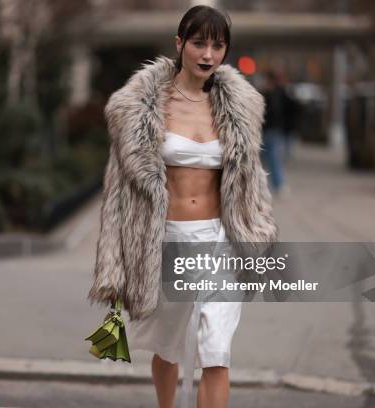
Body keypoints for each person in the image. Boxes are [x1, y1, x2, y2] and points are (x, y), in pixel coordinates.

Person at [87, 5, 278, 408]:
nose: (208, 54)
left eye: (218, 45)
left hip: (220, 242)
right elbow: (118, 192)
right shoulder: (139, 108)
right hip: (167, 241)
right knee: (167, 347)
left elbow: (251, 182)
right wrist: (113, 265)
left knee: (216, 350)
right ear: (179, 44)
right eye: (198, 43)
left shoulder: (240, 109)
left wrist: (259, 233)